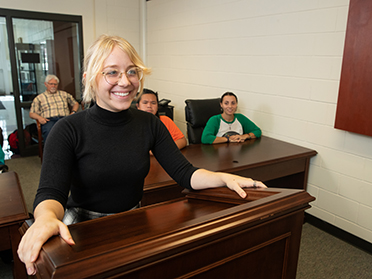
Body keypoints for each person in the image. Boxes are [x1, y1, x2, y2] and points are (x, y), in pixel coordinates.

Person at [17, 35, 266, 276]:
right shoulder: (68, 129)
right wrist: (46, 218)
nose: (125, 81)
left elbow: (185, 174)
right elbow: (51, 193)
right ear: (89, 80)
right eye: (112, 72)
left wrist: (224, 178)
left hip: (134, 222)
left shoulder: (149, 123)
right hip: (85, 228)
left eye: (132, 71)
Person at [29, 75, 79, 142]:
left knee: (72, 132)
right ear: (45, 84)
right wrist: (40, 118)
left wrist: (73, 112)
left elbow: (75, 103)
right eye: (51, 84)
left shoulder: (64, 94)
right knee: (50, 133)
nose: (53, 86)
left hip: (64, 119)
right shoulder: (39, 98)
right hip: (49, 120)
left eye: (55, 84)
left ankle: (68, 151)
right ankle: (52, 151)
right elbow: (32, 113)